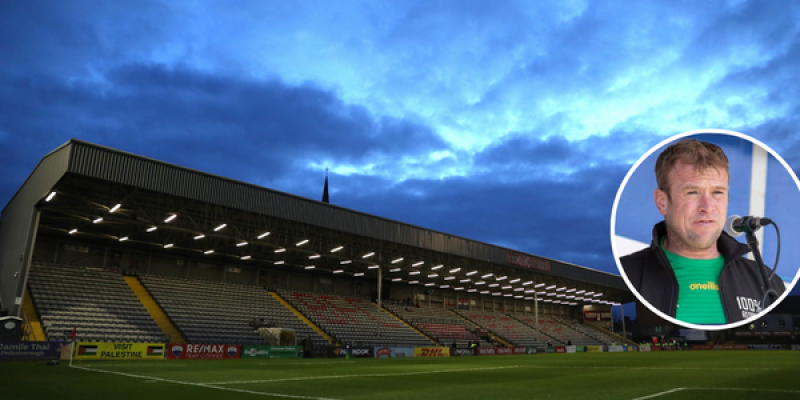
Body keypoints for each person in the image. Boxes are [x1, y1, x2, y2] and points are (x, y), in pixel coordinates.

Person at [621, 138, 785, 325]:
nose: (707, 207)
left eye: (717, 193)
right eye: (692, 192)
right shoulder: (627, 274)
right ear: (662, 202)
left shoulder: (768, 283)